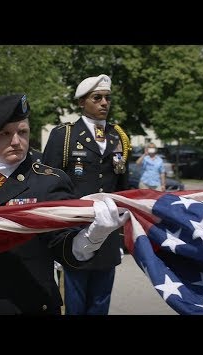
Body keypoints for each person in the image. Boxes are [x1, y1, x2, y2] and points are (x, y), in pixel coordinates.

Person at [0, 93, 129, 315]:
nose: (16, 141)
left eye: (22, 132)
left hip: (28, 303)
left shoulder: (48, 181)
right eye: (5, 134)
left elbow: (64, 247)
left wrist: (93, 237)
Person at [42, 74, 131, 315]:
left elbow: (123, 191)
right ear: (82, 102)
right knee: (74, 304)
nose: (104, 103)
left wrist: (121, 236)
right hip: (74, 233)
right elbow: (49, 187)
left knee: (100, 304)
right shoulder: (65, 135)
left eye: (107, 98)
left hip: (108, 234)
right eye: (97, 97)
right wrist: (53, 239)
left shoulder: (118, 137)